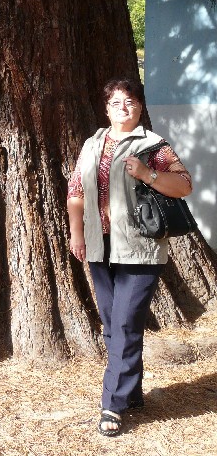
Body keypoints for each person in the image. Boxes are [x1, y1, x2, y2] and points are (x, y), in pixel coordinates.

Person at [67, 77, 192, 437]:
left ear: (139, 107)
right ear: (106, 109)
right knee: (114, 326)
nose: (124, 107)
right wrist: (78, 234)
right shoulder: (92, 145)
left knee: (122, 324)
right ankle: (132, 392)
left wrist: (148, 174)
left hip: (140, 250)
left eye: (131, 101)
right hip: (98, 247)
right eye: (117, 102)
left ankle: (113, 406)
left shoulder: (154, 145)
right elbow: (76, 191)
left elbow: (184, 184)